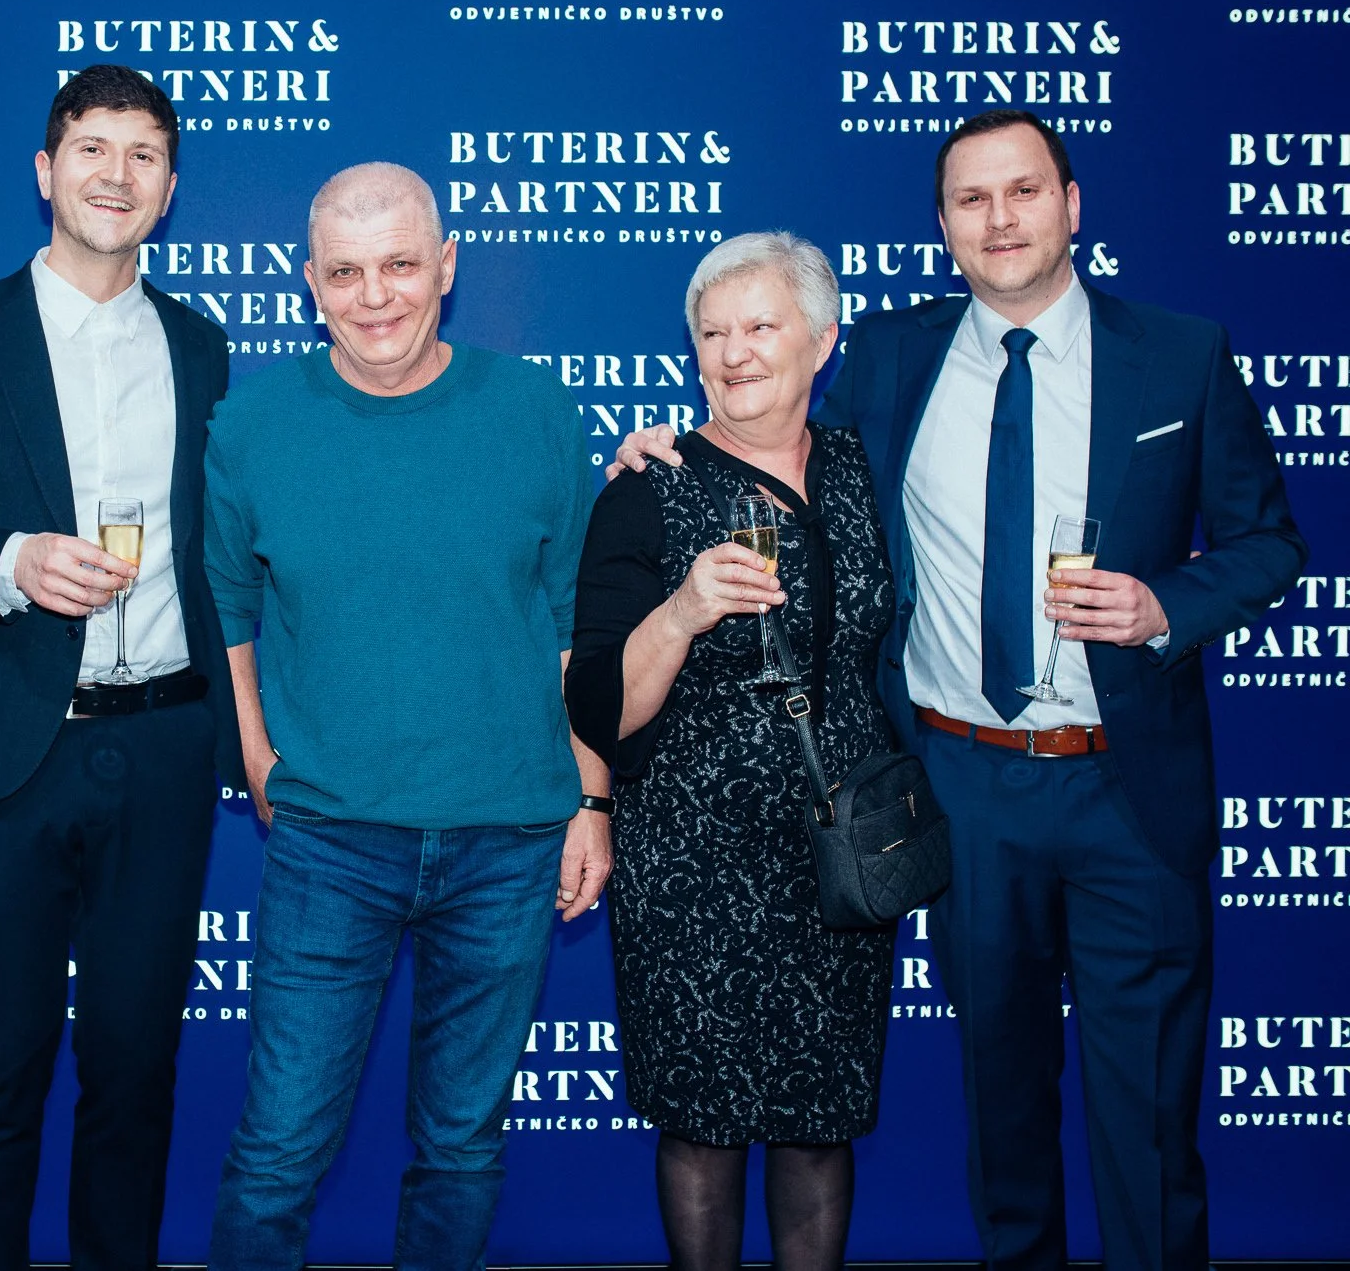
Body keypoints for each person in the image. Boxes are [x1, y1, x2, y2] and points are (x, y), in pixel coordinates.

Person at [613, 110, 1306, 1271]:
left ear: (1069, 206)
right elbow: (771, 436)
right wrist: (665, 454)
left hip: (1126, 789)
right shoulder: (887, 360)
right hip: (960, 788)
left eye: (1022, 192)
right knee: (1002, 1118)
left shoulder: (1179, 355)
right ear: (939, 226)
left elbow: (1267, 542)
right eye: (969, 200)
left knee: (1144, 1124)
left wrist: (1163, 607)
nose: (998, 219)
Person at [0, 64, 241, 1268]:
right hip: (2, 749)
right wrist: (10, 560)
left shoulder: (198, 343)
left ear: (168, 188)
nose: (115, 174)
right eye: (91, 148)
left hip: (164, 747)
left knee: (133, 1069)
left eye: (142, 154)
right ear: (44, 171)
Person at [201, 162, 612, 1271]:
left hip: (510, 837)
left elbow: (574, 619)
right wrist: (256, 756)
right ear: (309, 283)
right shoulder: (249, 425)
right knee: (278, 1149)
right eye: (344, 271)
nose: (373, 294)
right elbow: (232, 610)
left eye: (397, 264)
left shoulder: (532, 410)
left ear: (445, 265)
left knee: (461, 1147)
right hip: (329, 838)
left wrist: (587, 792)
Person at [566, 232, 895, 1271]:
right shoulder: (644, 486)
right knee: (702, 1123)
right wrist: (681, 610)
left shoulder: (863, 468)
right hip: (689, 866)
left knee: (817, 1118)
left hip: (840, 855)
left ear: (821, 342)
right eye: (712, 332)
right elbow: (597, 707)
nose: (735, 352)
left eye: (760, 326)